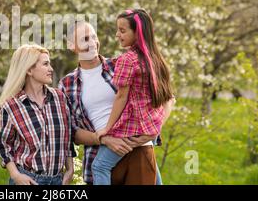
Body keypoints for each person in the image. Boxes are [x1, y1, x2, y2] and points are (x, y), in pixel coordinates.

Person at [59, 19, 174, 185]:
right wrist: (104, 139)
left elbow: (167, 98)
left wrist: (153, 131)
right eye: (85, 39)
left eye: (93, 37)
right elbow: (72, 132)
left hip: (137, 150)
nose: (92, 43)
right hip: (99, 158)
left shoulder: (121, 64)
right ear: (71, 45)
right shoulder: (67, 84)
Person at [92, 9, 176, 185]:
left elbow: (121, 97)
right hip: (151, 126)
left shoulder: (128, 60)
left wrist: (107, 129)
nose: (117, 35)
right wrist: (156, 129)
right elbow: (168, 98)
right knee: (151, 166)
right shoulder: (156, 59)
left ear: (137, 32)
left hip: (132, 127)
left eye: (122, 31)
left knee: (100, 166)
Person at [0, 44, 75, 185]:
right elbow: (4, 146)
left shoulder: (60, 98)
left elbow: (67, 138)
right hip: (28, 180)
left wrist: (70, 169)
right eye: (45, 64)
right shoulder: (11, 106)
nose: (51, 69)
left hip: (59, 180)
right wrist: (16, 175)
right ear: (29, 70)